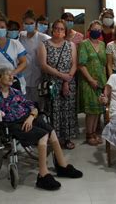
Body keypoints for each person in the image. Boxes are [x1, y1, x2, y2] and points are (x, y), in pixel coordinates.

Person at [0, 68, 82, 190]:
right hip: (11, 123)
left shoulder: (15, 92)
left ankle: (62, 166)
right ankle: (43, 174)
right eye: (7, 75)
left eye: (12, 75)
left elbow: (32, 106)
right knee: (43, 135)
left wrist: (31, 117)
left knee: (51, 131)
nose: (11, 77)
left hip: (27, 118)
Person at [38, 19, 78, 150]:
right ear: (52, 30)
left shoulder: (70, 45)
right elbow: (44, 66)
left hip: (68, 82)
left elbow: (74, 65)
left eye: (61, 29)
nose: (58, 31)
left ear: (65, 31)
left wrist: (66, 80)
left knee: (68, 111)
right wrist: (61, 76)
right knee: (53, 111)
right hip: (51, 83)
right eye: (56, 28)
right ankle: (54, 139)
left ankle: (67, 138)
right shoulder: (44, 44)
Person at [78, 20, 107, 146]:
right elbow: (81, 64)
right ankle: (89, 134)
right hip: (88, 80)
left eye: (99, 30)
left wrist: (105, 81)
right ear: (89, 30)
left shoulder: (102, 44)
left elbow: (104, 64)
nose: (97, 31)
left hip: (101, 80)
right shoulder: (84, 44)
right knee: (91, 110)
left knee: (98, 109)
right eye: (94, 29)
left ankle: (94, 132)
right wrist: (90, 79)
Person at [19, 9, 50, 107]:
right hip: (23, 75)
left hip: (38, 76)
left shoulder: (44, 38)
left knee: (37, 105)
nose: (29, 25)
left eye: (31, 23)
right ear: (23, 24)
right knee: (24, 105)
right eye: (26, 23)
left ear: (36, 23)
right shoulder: (21, 36)